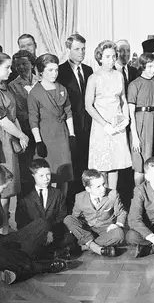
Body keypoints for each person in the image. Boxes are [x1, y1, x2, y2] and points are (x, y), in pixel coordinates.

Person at [0, 52, 30, 228]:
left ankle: (5, 226)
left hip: (11, 138)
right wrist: (21, 135)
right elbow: (3, 120)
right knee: (3, 186)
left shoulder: (4, 86)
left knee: (10, 187)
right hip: (2, 140)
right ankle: (2, 228)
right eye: (7, 67)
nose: (11, 71)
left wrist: (18, 136)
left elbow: (13, 113)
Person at [86, 41, 132, 189]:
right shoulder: (93, 78)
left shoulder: (119, 76)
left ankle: (113, 199)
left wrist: (126, 119)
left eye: (113, 56)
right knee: (102, 166)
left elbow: (123, 99)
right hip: (101, 125)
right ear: (99, 58)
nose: (111, 60)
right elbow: (88, 105)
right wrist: (105, 125)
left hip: (117, 123)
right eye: (107, 57)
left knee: (115, 164)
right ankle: (102, 198)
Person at [28, 53, 75, 196]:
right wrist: (38, 142)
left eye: (56, 70)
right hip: (46, 136)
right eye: (50, 70)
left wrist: (72, 134)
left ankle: (61, 206)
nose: (54, 73)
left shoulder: (62, 89)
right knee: (48, 176)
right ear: (41, 71)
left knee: (64, 176)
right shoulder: (35, 93)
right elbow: (33, 119)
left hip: (62, 135)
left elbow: (68, 112)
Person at [15, 159, 77, 259]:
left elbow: (61, 217)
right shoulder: (24, 197)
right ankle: (51, 254)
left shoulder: (57, 194)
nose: (46, 179)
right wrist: (41, 234)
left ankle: (49, 254)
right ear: (33, 176)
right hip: (34, 235)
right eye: (41, 176)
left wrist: (51, 232)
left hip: (54, 234)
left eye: (48, 174)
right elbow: (21, 221)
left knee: (69, 238)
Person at [57, 34, 93, 200]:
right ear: (68, 49)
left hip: (88, 126)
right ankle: (72, 205)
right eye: (77, 49)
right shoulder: (61, 71)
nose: (81, 52)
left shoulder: (88, 70)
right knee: (73, 167)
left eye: (83, 49)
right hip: (70, 127)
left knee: (87, 165)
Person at [64, 169, 126, 257]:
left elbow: (121, 212)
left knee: (119, 234)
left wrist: (118, 224)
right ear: (88, 189)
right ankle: (97, 248)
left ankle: (85, 246)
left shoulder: (113, 194)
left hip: (105, 230)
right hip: (87, 229)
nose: (103, 188)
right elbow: (75, 217)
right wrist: (76, 230)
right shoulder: (80, 197)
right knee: (68, 219)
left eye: (103, 184)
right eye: (98, 186)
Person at [127, 53, 154, 186]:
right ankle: (139, 195)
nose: (153, 70)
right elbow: (131, 113)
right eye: (149, 66)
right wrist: (135, 136)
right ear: (142, 67)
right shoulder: (134, 85)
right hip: (141, 123)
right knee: (140, 162)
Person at [8, 50, 39, 195]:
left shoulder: (41, 80)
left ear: (32, 64)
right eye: (17, 65)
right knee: (27, 171)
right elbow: (18, 111)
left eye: (24, 63)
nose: (21, 67)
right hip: (26, 131)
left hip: (43, 130)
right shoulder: (12, 86)